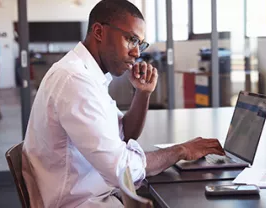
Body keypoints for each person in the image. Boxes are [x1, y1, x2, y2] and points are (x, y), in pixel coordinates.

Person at [21, 0, 225, 207]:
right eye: (131, 40)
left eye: (140, 44)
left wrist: (143, 93)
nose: (137, 53)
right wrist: (180, 150)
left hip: (92, 194)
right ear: (99, 32)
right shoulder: (74, 80)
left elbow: (124, 133)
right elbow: (122, 169)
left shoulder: (87, 76)